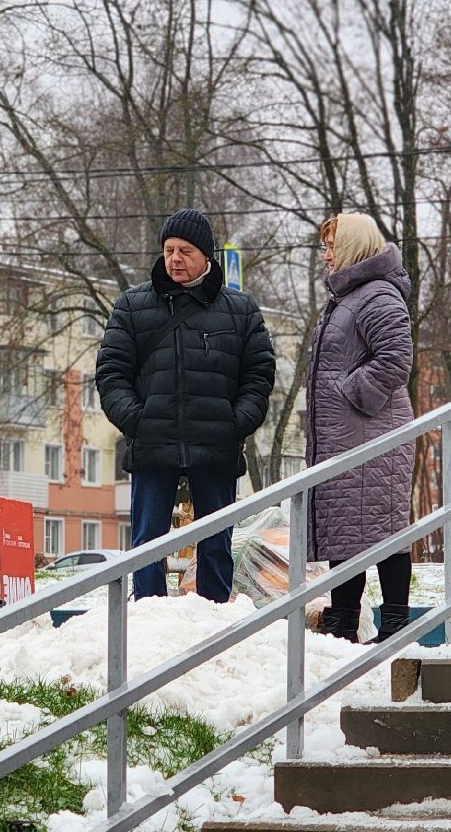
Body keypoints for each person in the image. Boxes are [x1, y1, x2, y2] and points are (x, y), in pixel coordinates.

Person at [96, 208, 276, 601]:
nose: (175, 258)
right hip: (152, 441)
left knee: (216, 540)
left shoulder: (240, 310)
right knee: (147, 543)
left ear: (207, 256)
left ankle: (214, 617)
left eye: (185, 250)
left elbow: (259, 376)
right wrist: (137, 421)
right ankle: (148, 616)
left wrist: (234, 422)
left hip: (216, 442)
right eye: (169, 249)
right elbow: (111, 373)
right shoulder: (132, 306)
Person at [306, 213, 415, 643]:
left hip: (374, 436)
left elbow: (395, 358)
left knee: (384, 528)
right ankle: (342, 624)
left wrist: (351, 394)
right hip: (346, 437)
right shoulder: (350, 296)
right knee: (344, 530)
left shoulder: (376, 296)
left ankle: (394, 625)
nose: (327, 255)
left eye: (333, 245)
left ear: (353, 246)